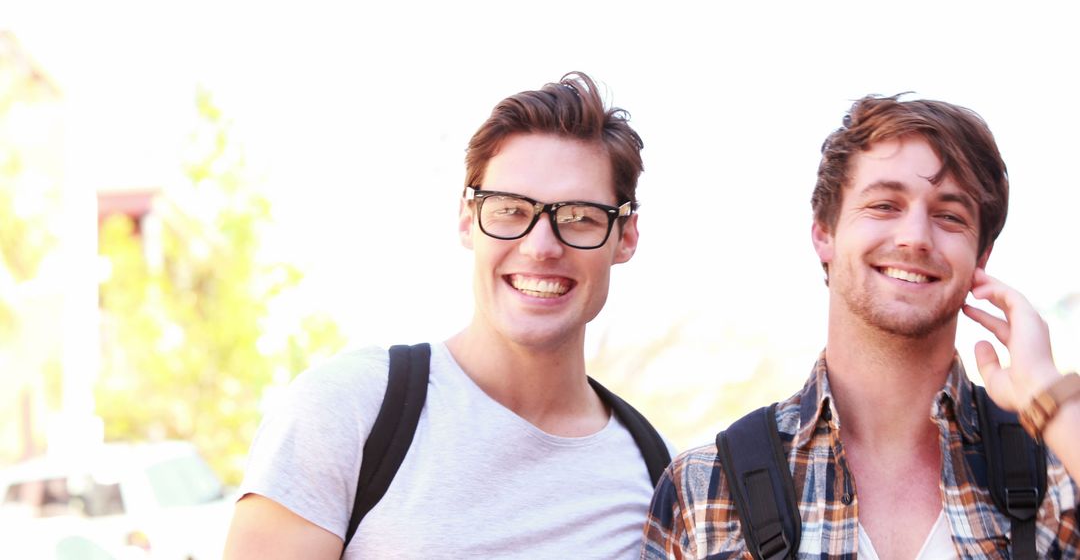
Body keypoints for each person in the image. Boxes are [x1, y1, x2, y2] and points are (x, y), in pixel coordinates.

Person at [224, 72, 671, 559]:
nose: (541, 247)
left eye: (579, 217)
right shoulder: (348, 410)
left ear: (625, 237)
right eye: (509, 210)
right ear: (467, 220)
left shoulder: (655, 474)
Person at [641, 94, 1080, 558]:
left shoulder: (1059, 468)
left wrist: (1048, 397)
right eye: (885, 206)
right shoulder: (707, 489)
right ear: (824, 234)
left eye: (949, 215)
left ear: (981, 258)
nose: (914, 237)